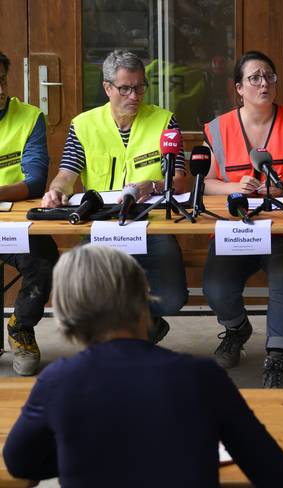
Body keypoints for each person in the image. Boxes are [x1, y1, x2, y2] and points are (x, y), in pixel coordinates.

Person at [2, 244, 283, 488]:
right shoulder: (201, 377)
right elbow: (278, 474)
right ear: (144, 298)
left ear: (66, 312)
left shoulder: (58, 382)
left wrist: (84, 451)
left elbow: (19, 462)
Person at [42, 49, 188, 342]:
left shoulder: (164, 121)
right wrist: (56, 191)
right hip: (101, 223)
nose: (135, 96)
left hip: (151, 222)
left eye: (140, 87)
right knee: (83, 292)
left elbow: (180, 181)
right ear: (107, 87)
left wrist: (153, 186)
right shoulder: (83, 125)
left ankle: (138, 329)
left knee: (172, 298)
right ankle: (131, 341)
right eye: (125, 88)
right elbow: (67, 174)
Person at [203, 51, 283, 387]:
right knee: (215, 287)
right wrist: (233, 186)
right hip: (238, 229)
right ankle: (236, 329)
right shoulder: (218, 128)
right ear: (239, 88)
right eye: (255, 78)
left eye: (269, 76)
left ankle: (277, 357)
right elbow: (207, 184)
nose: (264, 83)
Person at [0, 52, 58, 376]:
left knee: (44, 258)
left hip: (12, 223)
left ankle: (20, 326)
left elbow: (35, 181)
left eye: (0, 79)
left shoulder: (29, 117)